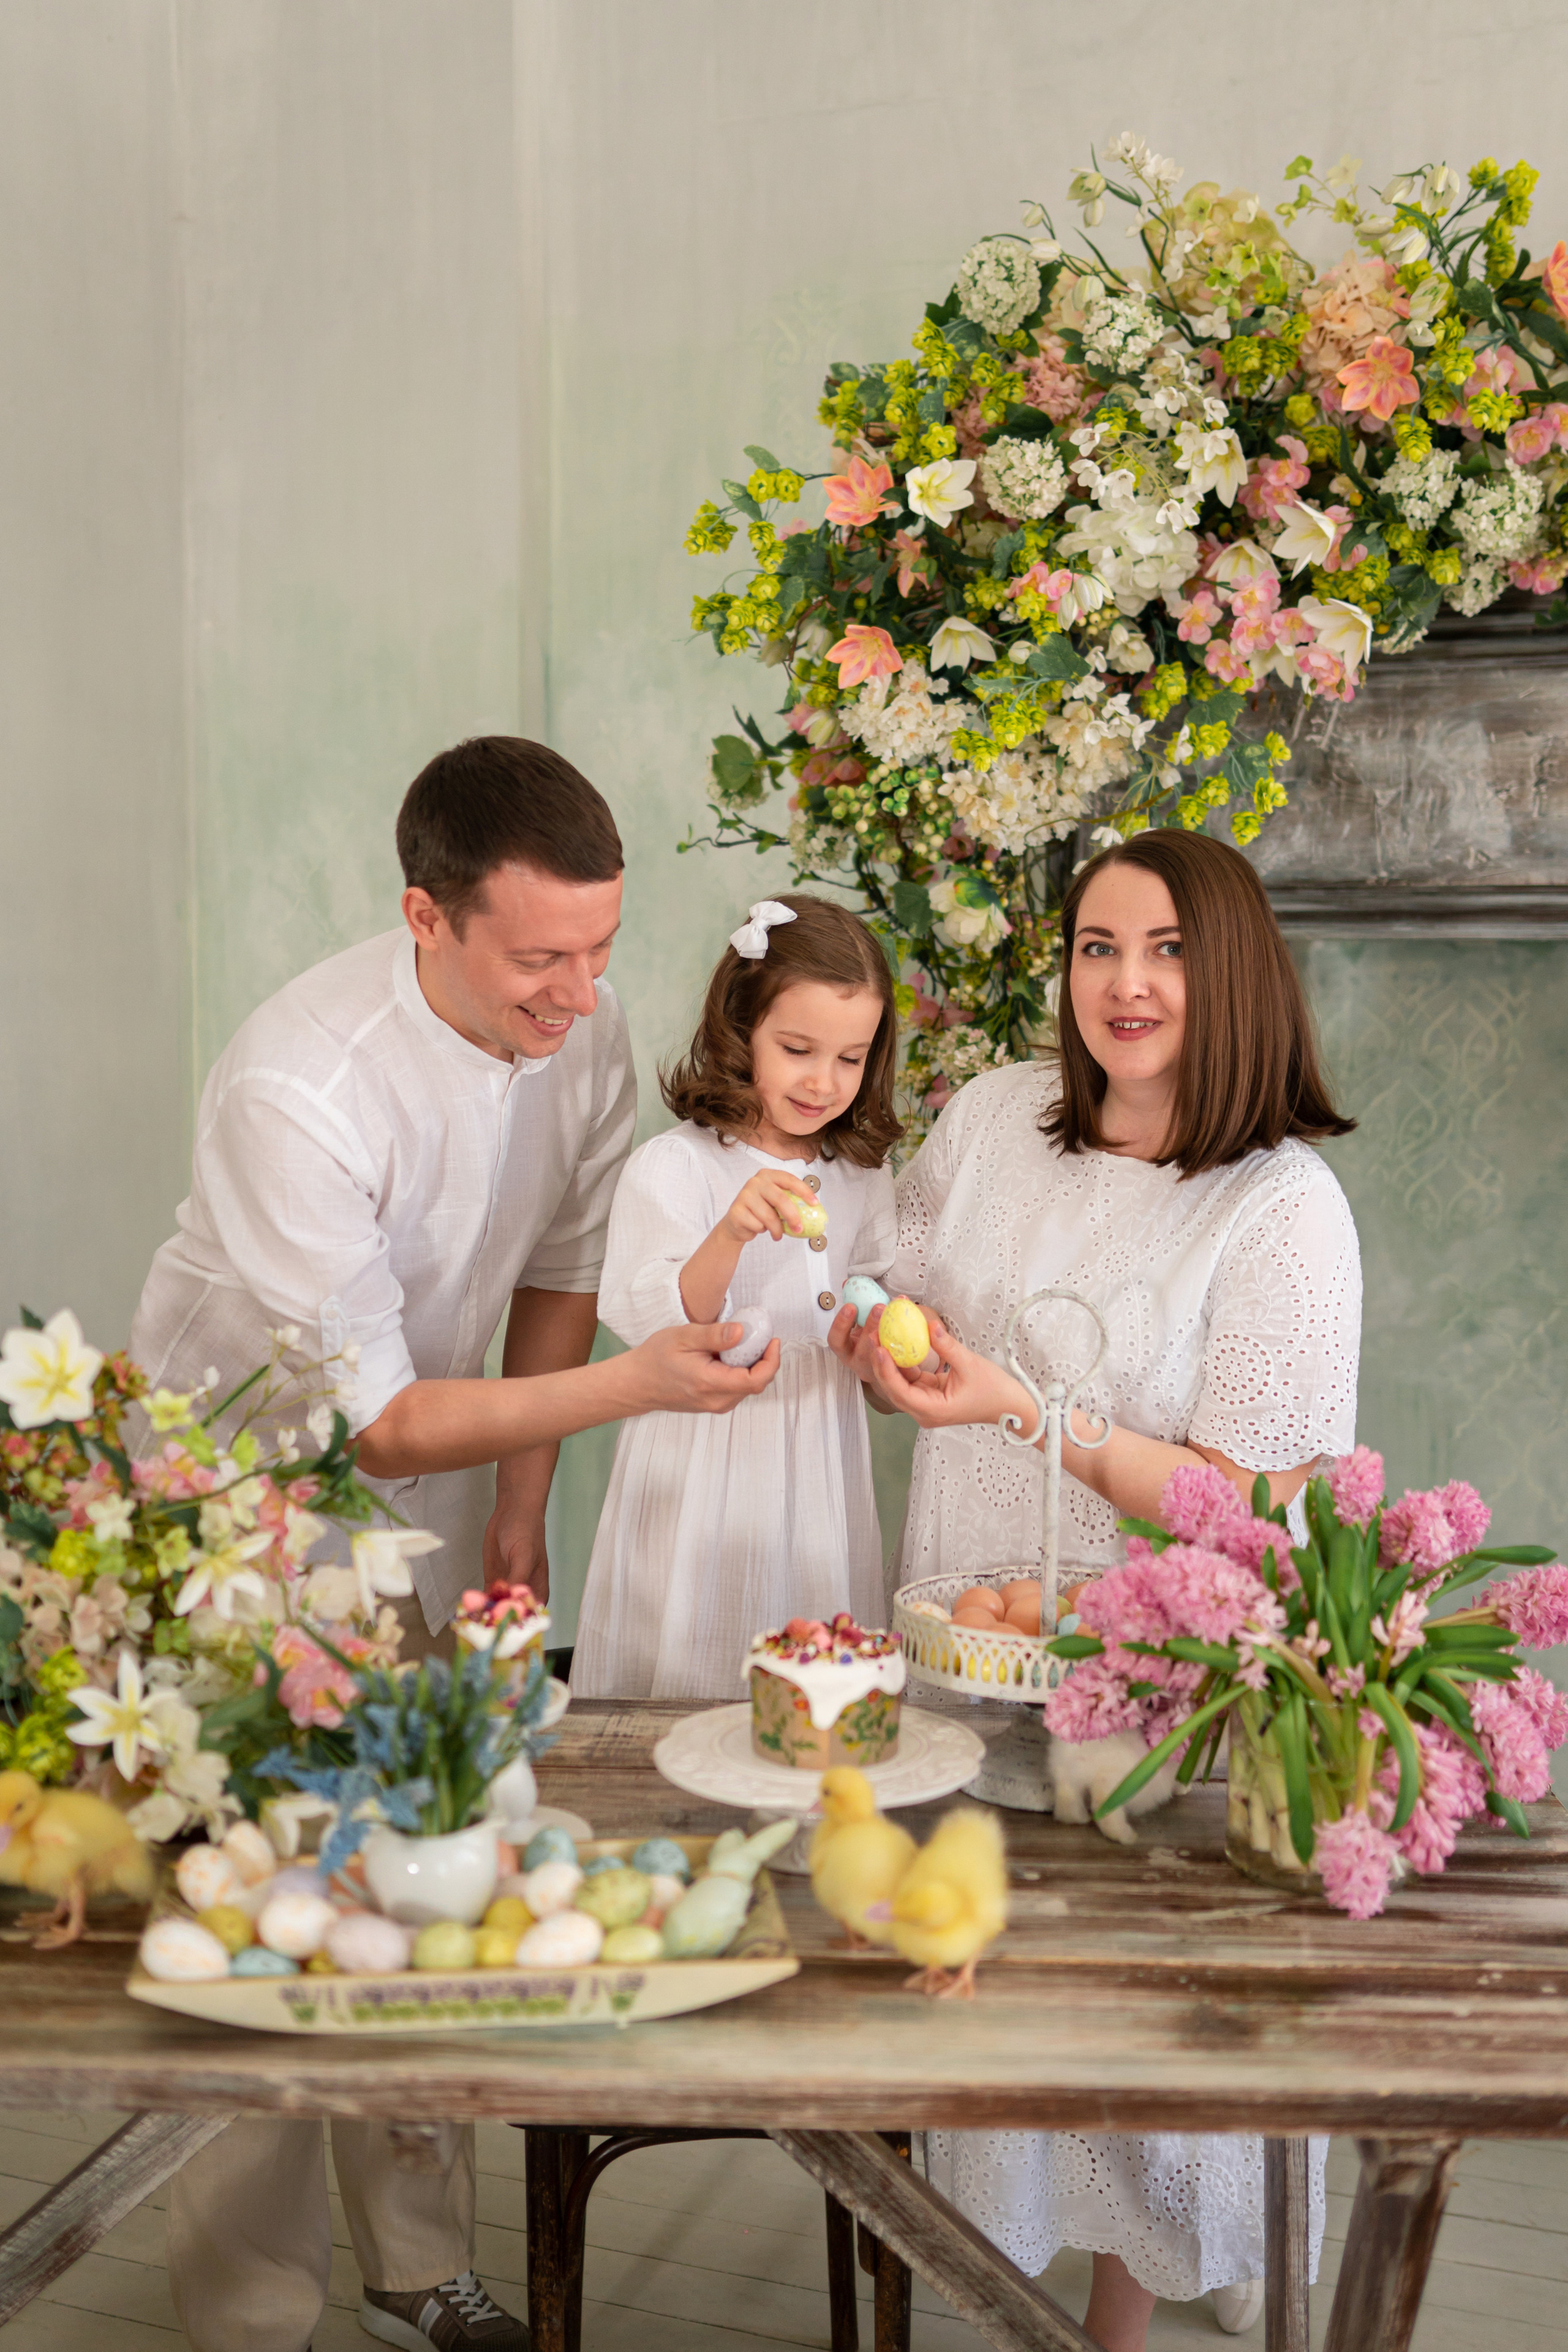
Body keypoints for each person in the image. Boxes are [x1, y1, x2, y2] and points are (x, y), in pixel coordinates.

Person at [131, 736, 776, 2352]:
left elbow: (557, 1268)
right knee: (270, 1907)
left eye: (601, 949)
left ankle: (420, 2271)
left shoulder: (584, 1020)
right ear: (426, 916)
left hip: (439, 1475)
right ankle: (249, 2317)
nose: (580, 992)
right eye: (540, 958)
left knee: (443, 1856)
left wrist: (518, 1512)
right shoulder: (298, 1087)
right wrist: (634, 1392)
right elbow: (372, 1422)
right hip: (239, 1514)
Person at [831, 829, 1362, 2352]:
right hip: (960, 1658)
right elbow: (901, 1304)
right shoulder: (997, 1118)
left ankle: (1114, 2331)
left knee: (1122, 2026)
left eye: (1168, 951)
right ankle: (993, 2309)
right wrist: (882, 1342)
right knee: (979, 1999)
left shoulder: (1279, 1208)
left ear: (1236, 974)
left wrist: (1022, 1412)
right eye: (1094, 947)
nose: (1123, 984)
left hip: (1154, 1687)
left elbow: (1252, 1501)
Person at [571, 894, 902, 1698]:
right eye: (797, 1049)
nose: (824, 1082)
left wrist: (874, 1347)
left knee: (814, 1676)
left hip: (819, 1464)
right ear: (740, 1027)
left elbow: (871, 1311)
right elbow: (651, 1322)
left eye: (851, 1058)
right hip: (700, 1468)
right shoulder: (675, 1167)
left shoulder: (863, 1177)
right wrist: (730, 1233)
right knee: (688, 1661)